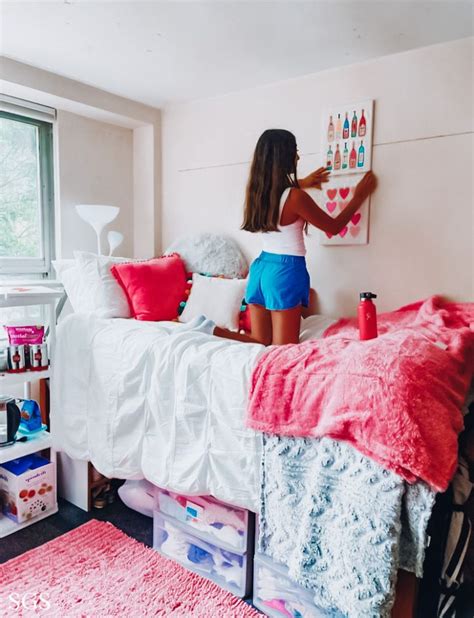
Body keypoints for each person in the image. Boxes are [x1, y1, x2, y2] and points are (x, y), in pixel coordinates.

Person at [213, 128, 377, 346]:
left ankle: (208, 330)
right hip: (285, 271)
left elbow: (280, 194)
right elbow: (333, 227)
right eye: (295, 151)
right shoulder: (295, 197)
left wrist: (303, 182)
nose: (298, 156)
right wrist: (358, 197)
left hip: (261, 269)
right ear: (283, 157)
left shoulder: (257, 194)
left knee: (258, 341)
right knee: (285, 349)